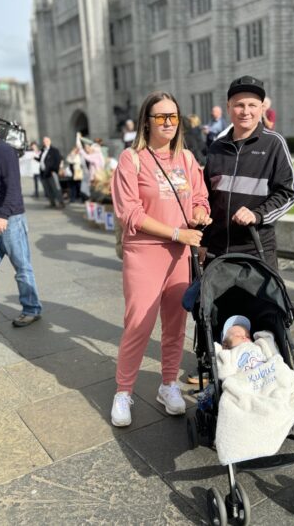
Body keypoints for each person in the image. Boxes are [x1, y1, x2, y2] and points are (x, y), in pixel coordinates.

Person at [110, 91, 211, 427]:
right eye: (160, 117)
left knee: (175, 325)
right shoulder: (132, 158)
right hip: (145, 254)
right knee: (138, 324)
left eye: (173, 116)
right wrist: (176, 233)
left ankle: (168, 384)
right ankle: (123, 391)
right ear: (147, 121)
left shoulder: (185, 159)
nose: (168, 123)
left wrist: (200, 211)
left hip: (180, 256)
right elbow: (130, 213)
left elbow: (200, 196)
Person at [201, 75, 294, 272]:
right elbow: (206, 199)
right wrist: (203, 240)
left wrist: (257, 214)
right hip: (217, 253)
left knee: (258, 304)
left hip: (256, 251)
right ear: (228, 107)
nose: (246, 111)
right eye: (239, 105)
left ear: (262, 108)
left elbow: (288, 193)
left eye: (252, 105)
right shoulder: (217, 147)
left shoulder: (274, 144)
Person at [213, 315, 294, 465]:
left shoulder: (258, 346)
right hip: (248, 385)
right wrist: (219, 352)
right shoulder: (230, 354)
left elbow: (274, 355)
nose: (244, 336)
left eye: (246, 334)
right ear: (226, 343)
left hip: (270, 379)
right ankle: (263, 427)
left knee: (290, 399)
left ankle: (268, 425)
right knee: (235, 405)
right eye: (237, 335)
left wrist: (264, 339)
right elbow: (225, 373)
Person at [0, 108, 42, 328]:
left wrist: (2, 216)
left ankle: (31, 309)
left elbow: (13, 189)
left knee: (22, 267)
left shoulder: (5, 152)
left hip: (10, 221)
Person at [38, 136, 65, 208]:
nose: (44, 143)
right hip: (44, 172)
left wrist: (54, 170)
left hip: (51, 172)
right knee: (48, 189)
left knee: (56, 188)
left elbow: (58, 160)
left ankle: (61, 202)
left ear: (50, 141)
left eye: (46, 141)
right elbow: (41, 160)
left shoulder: (54, 150)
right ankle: (52, 202)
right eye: (44, 142)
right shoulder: (43, 150)